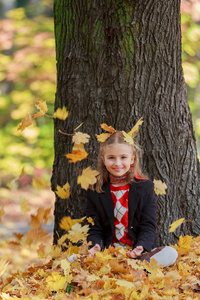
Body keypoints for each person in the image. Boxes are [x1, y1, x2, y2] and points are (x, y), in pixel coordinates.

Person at [85, 129, 178, 267]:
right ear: (103, 159)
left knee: (171, 253)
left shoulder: (145, 187)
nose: (117, 163)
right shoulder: (96, 190)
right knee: (73, 259)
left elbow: (148, 225)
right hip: (110, 253)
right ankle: (123, 269)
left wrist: (141, 246)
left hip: (139, 253)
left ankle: (137, 267)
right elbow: (95, 228)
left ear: (132, 159)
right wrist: (96, 246)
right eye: (111, 158)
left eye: (123, 157)